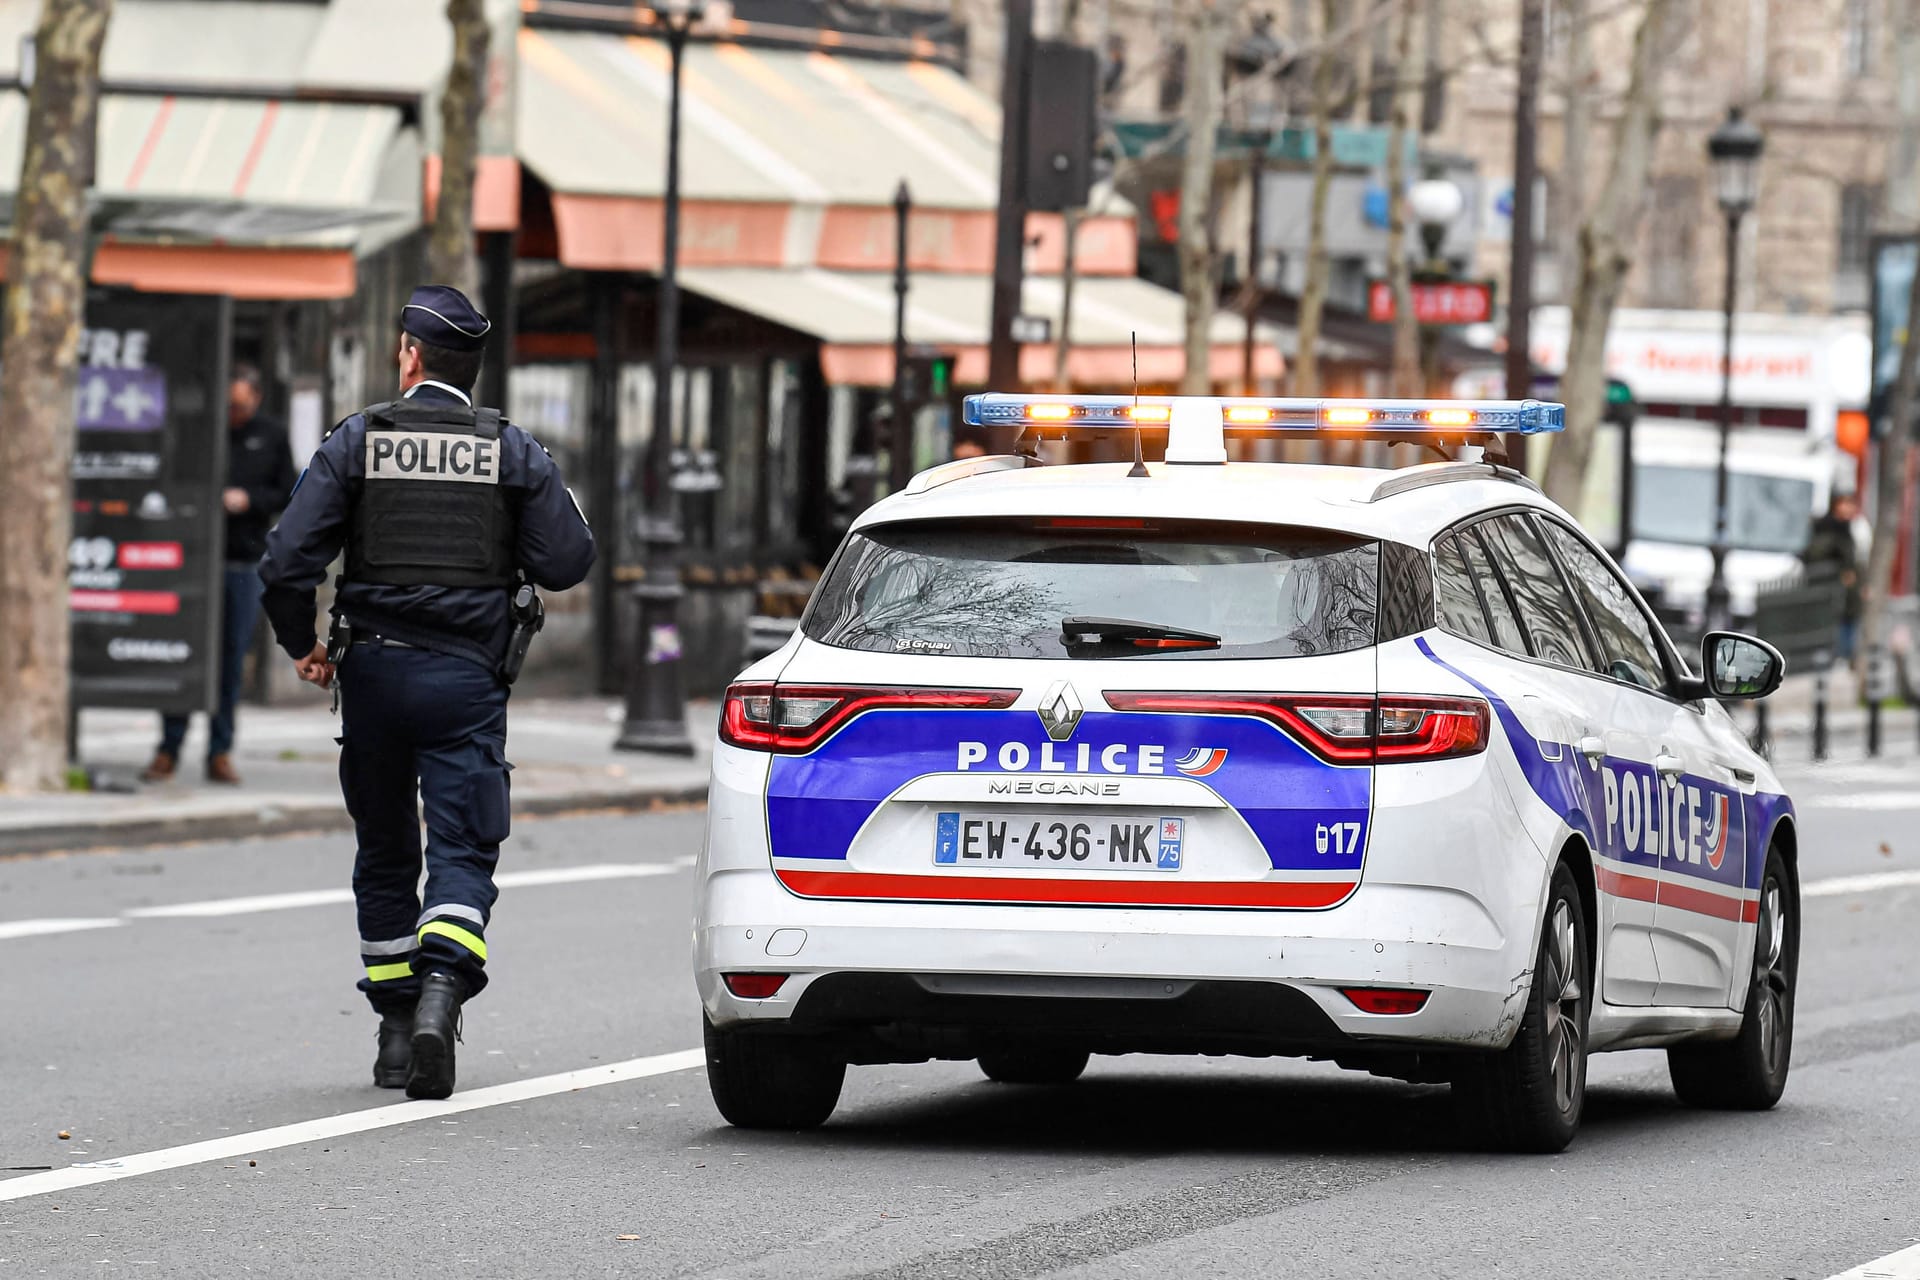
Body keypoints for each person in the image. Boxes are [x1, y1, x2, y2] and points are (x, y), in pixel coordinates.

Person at [257, 286, 595, 1099]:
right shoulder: (511, 449)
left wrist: (302, 645)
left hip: (371, 673)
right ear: (471, 367)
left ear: (409, 354)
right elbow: (568, 561)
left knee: (383, 850)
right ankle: (444, 992)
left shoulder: (358, 440)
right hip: (467, 683)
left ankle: (397, 1034)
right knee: (462, 847)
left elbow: (284, 561)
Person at [141, 365, 297, 785]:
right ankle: (168, 747)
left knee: (230, 660)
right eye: (228, 406)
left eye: (241, 406)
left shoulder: (271, 434)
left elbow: (289, 491)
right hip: (195, 559)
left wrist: (249, 500)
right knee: (184, 654)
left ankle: (220, 750)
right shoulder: (200, 431)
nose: (234, 414)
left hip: (243, 561)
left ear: (257, 400)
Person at [1803, 491, 1861, 662]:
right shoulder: (1826, 527)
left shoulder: (1849, 528)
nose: (1849, 508)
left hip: (1847, 594)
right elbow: (1815, 554)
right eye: (1846, 503)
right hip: (1828, 589)